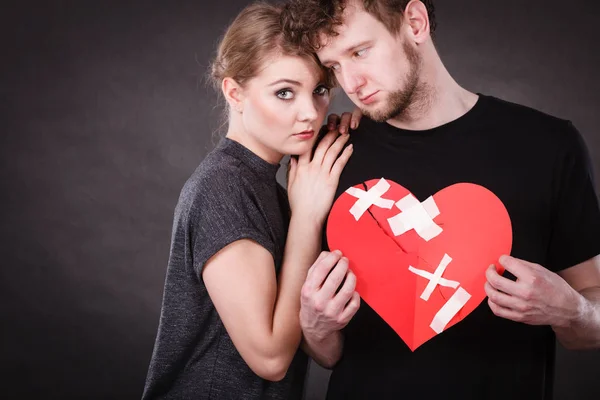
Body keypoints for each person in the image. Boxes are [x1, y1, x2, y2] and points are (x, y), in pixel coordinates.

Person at [282, 0, 600, 399]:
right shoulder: (327, 161)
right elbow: (327, 355)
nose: (352, 83)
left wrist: (573, 311)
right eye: (335, 66)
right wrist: (314, 326)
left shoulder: (549, 146)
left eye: (360, 51)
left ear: (415, 23)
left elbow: (589, 325)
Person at [141, 2, 361, 399]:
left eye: (320, 90)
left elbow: (313, 341)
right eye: (284, 93)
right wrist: (307, 220)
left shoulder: (275, 188)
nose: (309, 113)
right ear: (235, 92)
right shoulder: (223, 188)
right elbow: (271, 359)